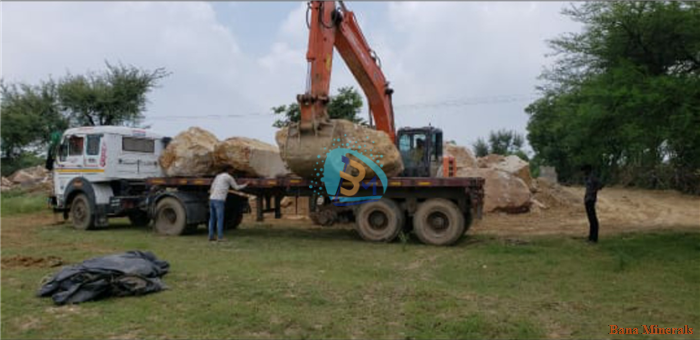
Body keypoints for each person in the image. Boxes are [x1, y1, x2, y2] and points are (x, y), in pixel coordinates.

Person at [208, 165, 247, 242]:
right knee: (220, 219)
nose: (233, 172)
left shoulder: (218, 176)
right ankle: (220, 237)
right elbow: (236, 187)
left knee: (212, 218)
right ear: (229, 170)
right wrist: (246, 184)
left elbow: (212, 187)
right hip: (219, 200)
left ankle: (211, 236)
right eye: (232, 170)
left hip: (212, 198)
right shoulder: (228, 177)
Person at [582, 164, 603, 243]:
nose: (583, 172)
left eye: (584, 170)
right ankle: (591, 237)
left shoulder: (593, 177)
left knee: (593, 219)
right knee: (591, 220)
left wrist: (594, 191)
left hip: (591, 199)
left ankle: (594, 238)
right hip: (587, 200)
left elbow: (601, 185)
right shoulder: (587, 178)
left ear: (588, 170)